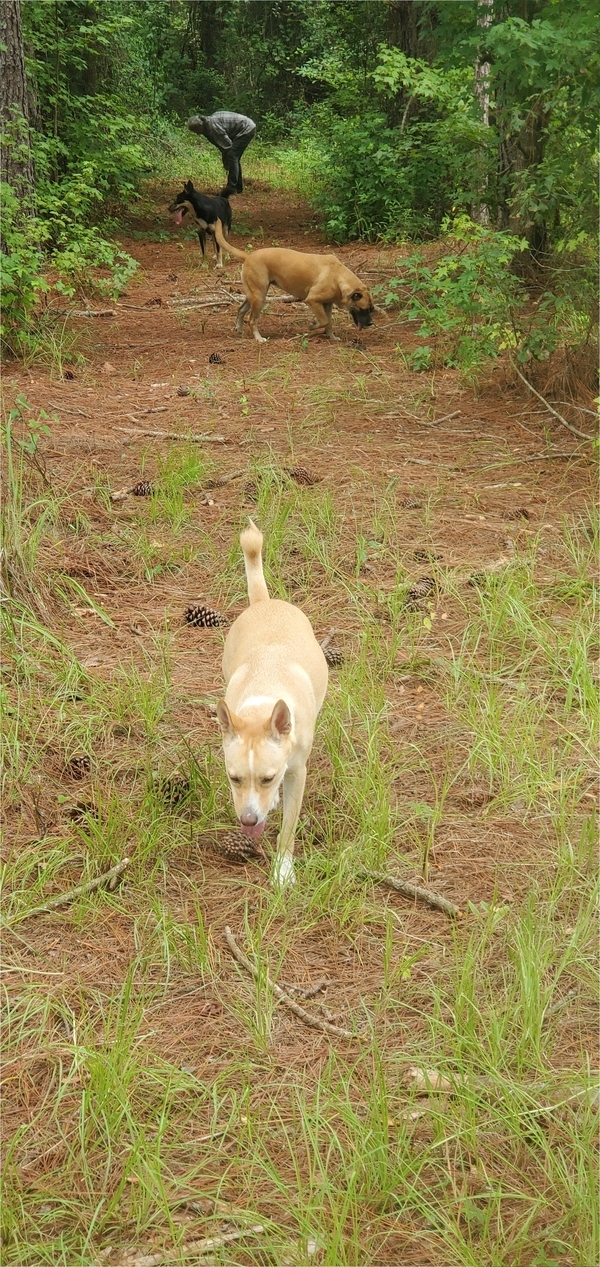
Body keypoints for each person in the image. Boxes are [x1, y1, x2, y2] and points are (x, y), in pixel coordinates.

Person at [187, 111, 256, 196]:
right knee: (233, 157)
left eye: (196, 130)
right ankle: (237, 188)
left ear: (200, 125)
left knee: (232, 156)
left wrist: (226, 161)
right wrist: (226, 161)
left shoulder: (213, 127)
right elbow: (222, 147)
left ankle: (231, 188)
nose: (197, 134)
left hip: (246, 128)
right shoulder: (208, 127)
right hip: (241, 129)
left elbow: (227, 146)